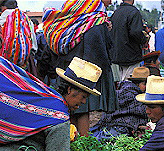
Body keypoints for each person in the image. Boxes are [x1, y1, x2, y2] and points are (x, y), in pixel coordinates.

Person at [43, 0, 118, 137]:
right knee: (82, 109)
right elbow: (98, 49)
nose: (111, 1)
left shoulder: (71, 20)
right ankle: (81, 141)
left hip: (68, 67)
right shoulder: (95, 21)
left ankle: (71, 140)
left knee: (70, 108)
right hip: (83, 70)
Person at [89, 67, 150, 140]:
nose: (147, 87)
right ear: (137, 84)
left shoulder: (121, 90)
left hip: (106, 124)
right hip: (119, 127)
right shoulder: (132, 96)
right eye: (145, 84)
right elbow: (144, 111)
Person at [110, 0, 147, 82]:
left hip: (117, 53)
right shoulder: (133, 12)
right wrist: (143, 40)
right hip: (131, 53)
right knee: (129, 82)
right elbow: (135, 32)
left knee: (120, 81)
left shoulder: (116, 13)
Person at [0, 0, 37, 72]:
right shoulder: (27, 19)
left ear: (4, 7)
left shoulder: (4, 16)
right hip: (26, 60)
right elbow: (33, 41)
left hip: (6, 61)